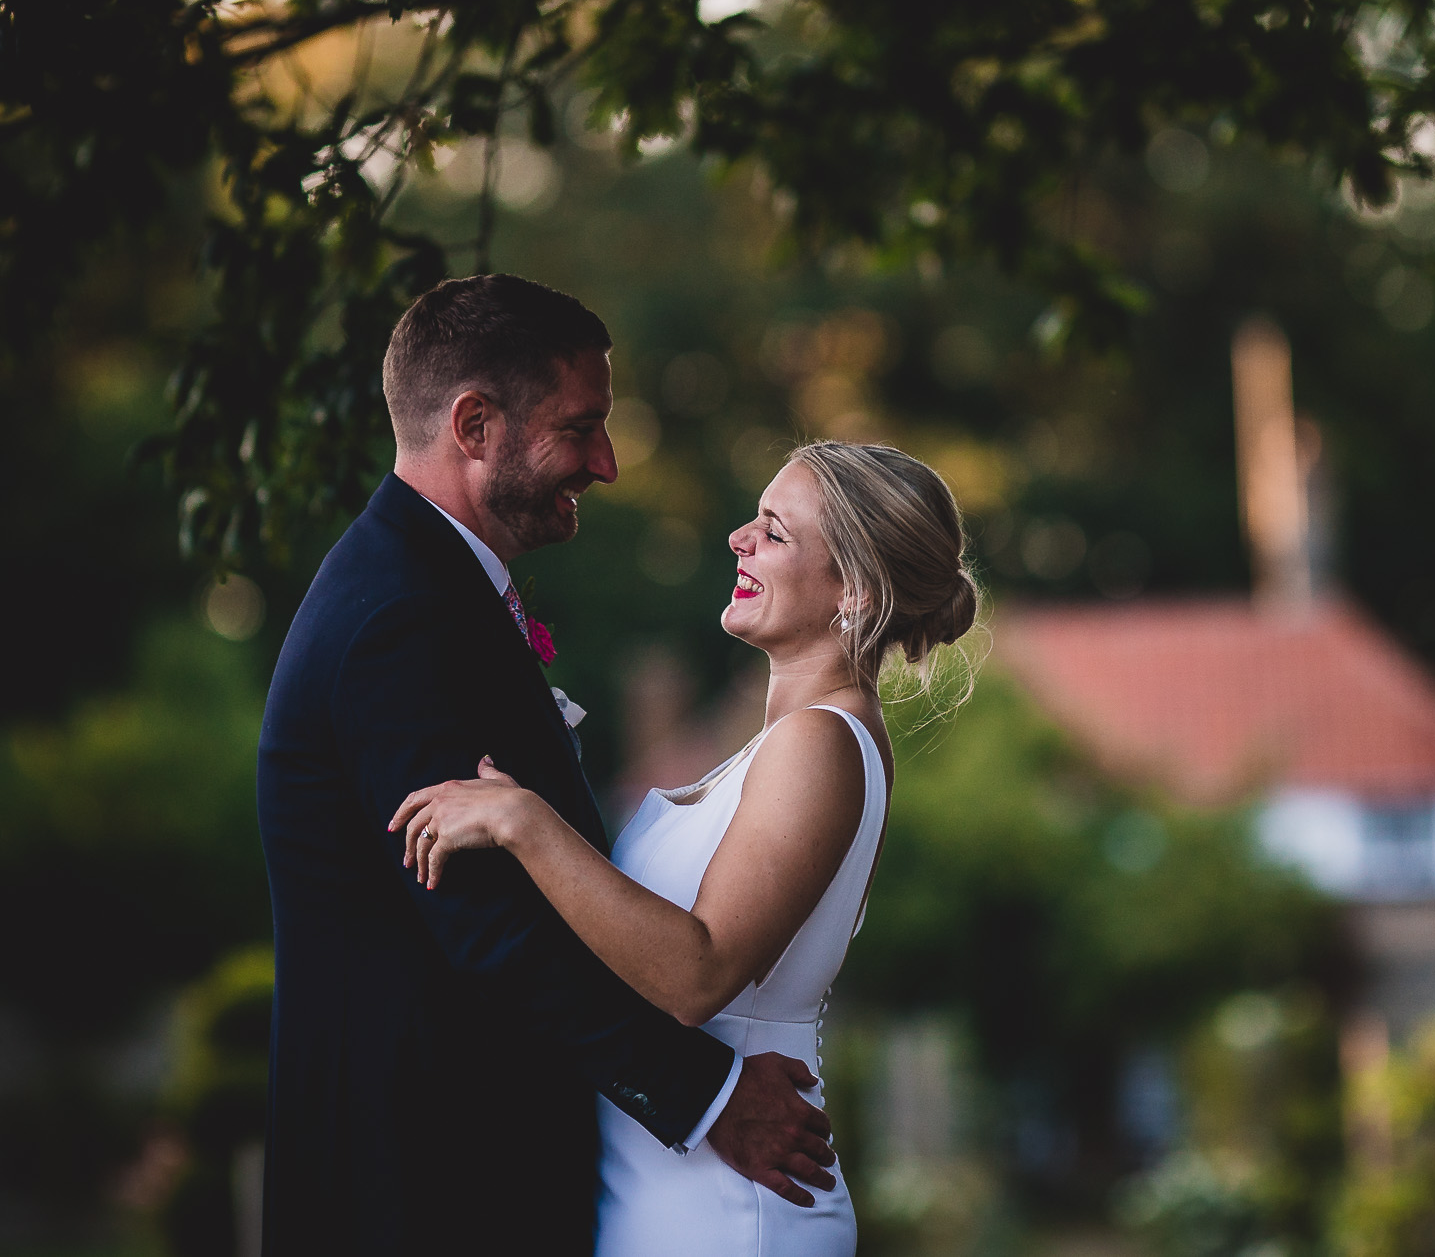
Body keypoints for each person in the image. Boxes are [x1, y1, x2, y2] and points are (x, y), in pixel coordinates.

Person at [257, 275, 838, 1256]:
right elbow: (487, 921)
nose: (605, 463)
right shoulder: (399, 617)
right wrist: (709, 1093)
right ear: (474, 423)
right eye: (582, 427)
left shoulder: (427, 589)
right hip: (429, 1188)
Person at [390, 435, 975, 1256]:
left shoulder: (820, 741)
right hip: (670, 1187)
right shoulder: (784, 744)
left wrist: (524, 821)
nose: (740, 536)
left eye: (775, 531)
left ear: (855, 588)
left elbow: (696, 973)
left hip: (732, 1210)